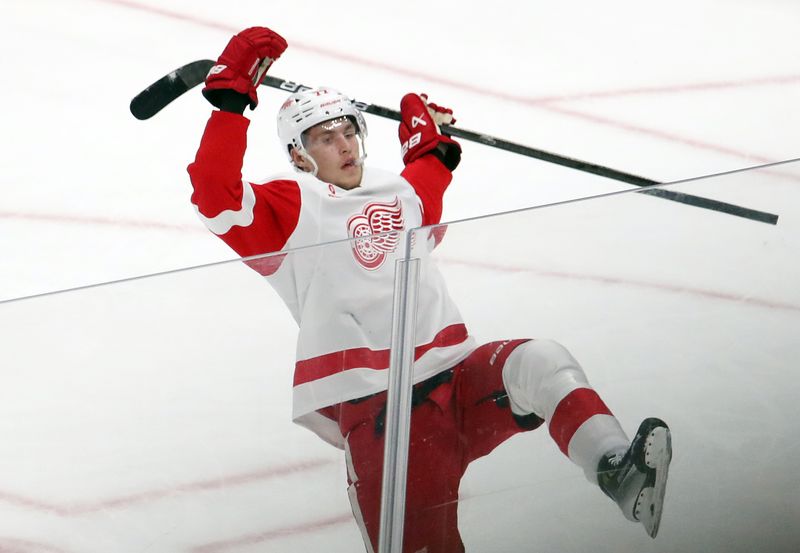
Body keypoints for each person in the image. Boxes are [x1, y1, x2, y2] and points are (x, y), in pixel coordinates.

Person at [187, 26, 672, 553]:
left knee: (540, 360)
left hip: (457, 379)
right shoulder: (291, 205)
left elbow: (427, 179)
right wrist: (231, 103)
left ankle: (616, 470)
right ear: (300, 156)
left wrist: (430, 145)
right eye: (324, 137)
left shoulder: (397, 191)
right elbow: (216, 195)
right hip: (380, 417)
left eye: (348, 130)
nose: (344, 143)